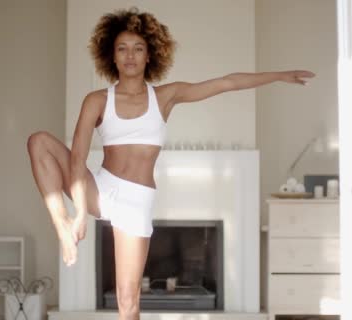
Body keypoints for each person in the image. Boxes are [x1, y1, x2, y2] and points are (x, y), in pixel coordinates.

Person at [27, 7, 314, 320]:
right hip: (100, 187)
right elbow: (78, 158)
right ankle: (62, 226)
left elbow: (227, 83)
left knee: (128, 301)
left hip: (136, 202)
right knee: (39, 141)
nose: (130, 56)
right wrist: (79, 213)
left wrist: (280, 76)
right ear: (112, 55)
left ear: (150, 54)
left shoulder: (164, 96)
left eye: (138, 48)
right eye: (122, 49)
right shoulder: (97, 100)